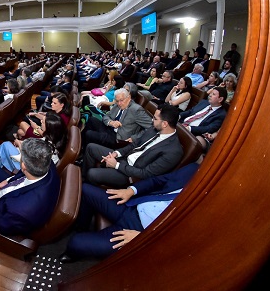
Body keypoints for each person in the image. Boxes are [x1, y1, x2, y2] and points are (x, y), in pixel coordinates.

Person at [59, 162, 200, 262]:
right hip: (132, 205)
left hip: (139, 230)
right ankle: (81, 227)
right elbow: (158, 181)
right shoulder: (193, 169)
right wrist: (131, 190)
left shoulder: (205, 208)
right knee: (85, 189)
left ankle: (74, 251)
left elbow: (180, 241)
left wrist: (143, 237)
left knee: (75, 243)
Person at [82, 103, 183, 189]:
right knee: (91, 147)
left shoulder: (173, 151)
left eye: (155, 119)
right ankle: (83, 180)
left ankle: (87, 189)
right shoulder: (154, 129)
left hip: (130, 175)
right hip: (124, 158)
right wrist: (116, 153)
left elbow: (145, 174)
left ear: (165, 124)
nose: (152, 121)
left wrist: (116, 165)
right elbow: (134, 144)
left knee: (92, 173)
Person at [0, 111, 67, 173]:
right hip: (33, 159)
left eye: (43, 122)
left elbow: (29, 160)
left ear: (49, 128)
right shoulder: (54, 139)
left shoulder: (47, 148)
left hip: (29, 168)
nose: (41, 121)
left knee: (5, 145)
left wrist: (19, 145)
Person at [81, 88, 152, 150]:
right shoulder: (117, 104)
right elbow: (106, 116)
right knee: (91, 120)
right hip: (109, 129)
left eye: (121, 100)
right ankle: (82, 146)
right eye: (117, 101)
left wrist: (135, 137)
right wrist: (110, 122)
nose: (119, 103)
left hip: (118, 138)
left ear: (129, 97)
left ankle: (84, 151)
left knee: (89, 134)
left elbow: (152, 127)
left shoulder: (136, 110)